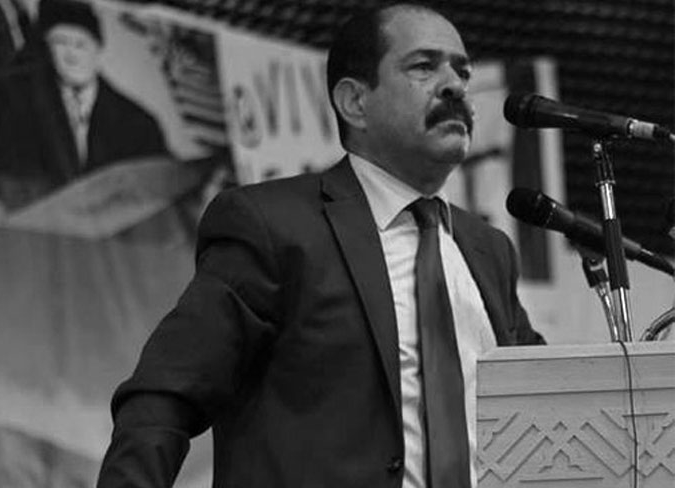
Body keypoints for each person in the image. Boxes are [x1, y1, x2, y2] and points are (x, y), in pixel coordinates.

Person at [97, 3, 545, 488]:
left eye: (462, 71)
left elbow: (550, 404)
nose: (455, 85)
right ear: (354, 102)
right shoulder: (274, 225)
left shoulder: (489, 251)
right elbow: (164, 394)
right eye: (423, 66)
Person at [0, 0, 168, 198]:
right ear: (47, 48)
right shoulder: (15, 100)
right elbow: (2, 175)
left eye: (81, 44)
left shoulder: (139, 123)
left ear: (98, 47)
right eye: (60, 42)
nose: (71, 55)